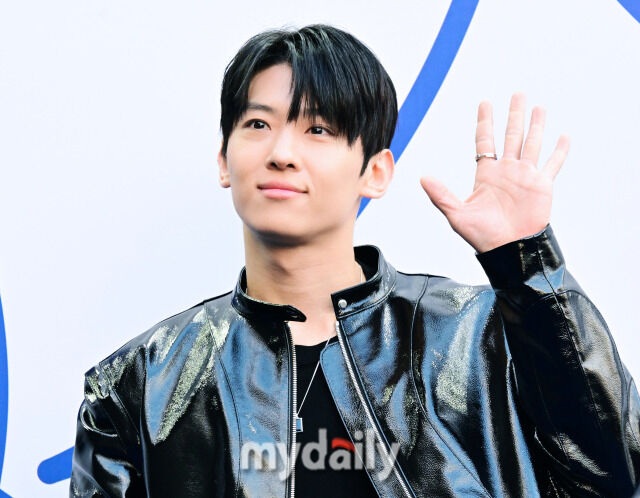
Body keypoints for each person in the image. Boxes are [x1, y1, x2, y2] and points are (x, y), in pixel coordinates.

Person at [69, 24, 640, 497]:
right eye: (258, 124)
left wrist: (526, 262)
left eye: (318, 129)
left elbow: (616, 474)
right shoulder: (138, 386)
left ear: (376, 171)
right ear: (224, 159)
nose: (282, 153)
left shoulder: (480, 335)